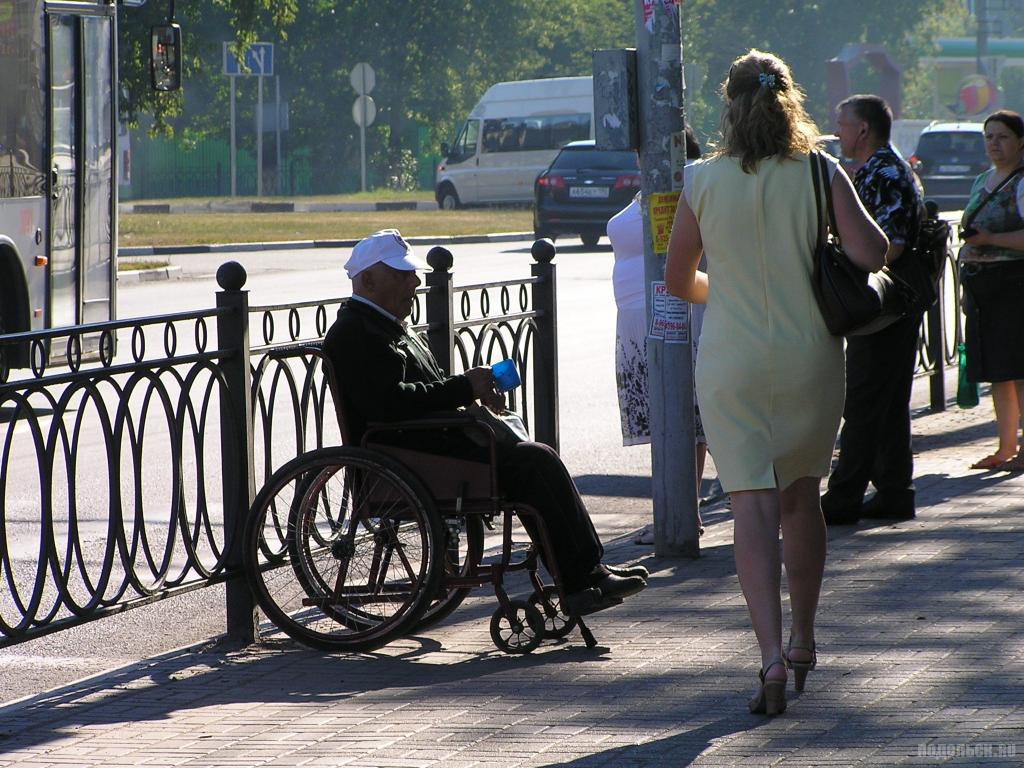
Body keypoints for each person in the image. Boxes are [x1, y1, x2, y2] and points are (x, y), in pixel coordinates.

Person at [665, 51, 887, 715]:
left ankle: (765, 657)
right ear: (790, 101)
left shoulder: (701, 178)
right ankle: (804, 638)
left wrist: (726, 294)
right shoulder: (821, 171)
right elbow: (871, 254)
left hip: (731, 360)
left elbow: (679, 281)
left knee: (750, 509)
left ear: (730, 107)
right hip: (808, 357)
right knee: (800, 498)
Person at [322, 229, 648, 617]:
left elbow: (425, 388)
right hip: (408, 452)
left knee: (536, 459)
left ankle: (586, 573)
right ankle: (580, 579)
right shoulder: (356, 332)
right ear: (369, 280)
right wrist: (463, 389)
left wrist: (473, 389)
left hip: (430, 441)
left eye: (412, 274)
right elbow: (388, 404)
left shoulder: (389, 324)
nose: (415, 281)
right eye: (402, 274)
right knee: (534, 463)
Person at [820, 95, 926, 524]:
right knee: (886, 399)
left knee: (863, 399)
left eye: (842, 123)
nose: (837, 131)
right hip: (890, 303)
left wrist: (840, 259)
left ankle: (843, 497)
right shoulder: (878, 168)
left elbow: (891, 247)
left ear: (862, 129)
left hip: (884, 304)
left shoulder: (884, 172)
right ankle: (895, 491)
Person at [607, 125, 708, 545]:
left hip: (676, 316)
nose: (637, 156)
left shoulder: (691, 186)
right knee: (664, 421)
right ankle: (677, 508)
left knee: (693, 418)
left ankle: (682, 511)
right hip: (635, 322)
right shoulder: (649, 187)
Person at [958, 109, 1024, 472]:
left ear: (1020, 143)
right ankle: (1006, 447)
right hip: (985, 290)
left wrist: (992, 239)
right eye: (989, 137)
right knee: (999, 370)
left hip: (1014, 284)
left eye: (1002, 137)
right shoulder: (983, 178)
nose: (994, 144)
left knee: (1020, 368)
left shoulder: (1021, 181)